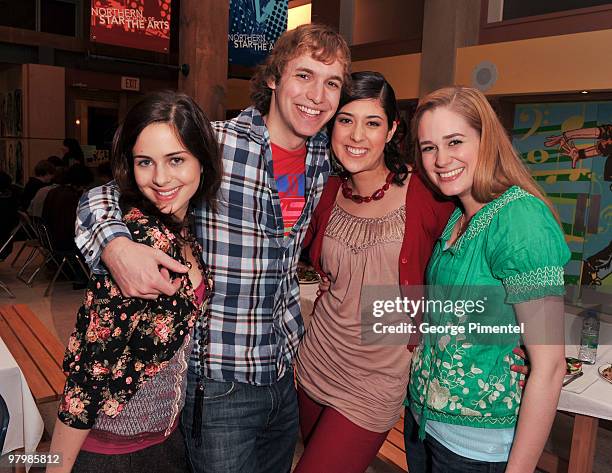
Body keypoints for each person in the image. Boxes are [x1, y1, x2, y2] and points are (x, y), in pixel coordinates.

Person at [73, 23, 351, 473]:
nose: (317, 95)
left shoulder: (326, 154)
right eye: (304, 75)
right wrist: (116, 246)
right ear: (274, 78)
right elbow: (104, 196)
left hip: (283, 374)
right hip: (219, 380)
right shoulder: (215, 142)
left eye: (331, 82)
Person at [47, 91, 221, 473]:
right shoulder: (139, 242)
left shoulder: (180, 228)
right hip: (112, 452)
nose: (160, 179)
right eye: (145, 162)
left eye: (176, 160)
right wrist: (55, 467)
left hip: (163, 439)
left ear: (202, 162)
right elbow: (87, 379)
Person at [294, 71, 454, 473]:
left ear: (392, 130)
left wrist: (512, 333)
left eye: (372, 123)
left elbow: (483, 251)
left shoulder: (426, 193)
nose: (356, 136)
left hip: (377, 379)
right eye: (345, 120)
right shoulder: (325, 190)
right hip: (315, 361)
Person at [404, 86, 569, 473]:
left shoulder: (519, 218)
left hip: (477, 449)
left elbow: (550, 366)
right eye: (429, 147)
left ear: (487, 140)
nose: (441, 159)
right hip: (423, 424)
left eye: (455, 141)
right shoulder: (458, 215)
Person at [42, 164, 93, 252]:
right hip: (65, 242)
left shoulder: (53, 191)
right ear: (82, 184)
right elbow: (73, 226)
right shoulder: (71, 197)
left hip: (50, 238)